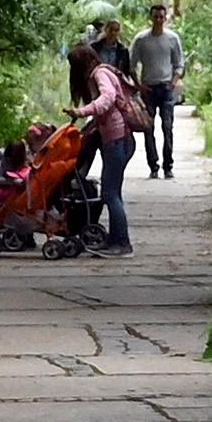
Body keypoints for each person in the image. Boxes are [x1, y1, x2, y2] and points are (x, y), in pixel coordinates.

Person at [70, 28, 143, 253]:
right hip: (119, 139)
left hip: (117, 139)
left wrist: (82, 112)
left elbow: (107, 100)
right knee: (114, 192)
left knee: (110, 193)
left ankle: (122, 243)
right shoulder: (104, 71)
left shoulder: (99, 74)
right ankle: (116, 238)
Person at [129, 0, 184, 180]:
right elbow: (131, 64)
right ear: (151, 18)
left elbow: (179, 63)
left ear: (165, 18)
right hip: (149, 89)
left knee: (167, 127)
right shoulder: (142, 39)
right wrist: (138, 85)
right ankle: (153, 165)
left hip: (166, 88)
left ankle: (168, 166)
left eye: (161, 17)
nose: (158, 20)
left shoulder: (172, 38)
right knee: (148, 129)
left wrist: (173, 81)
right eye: (156, 17)